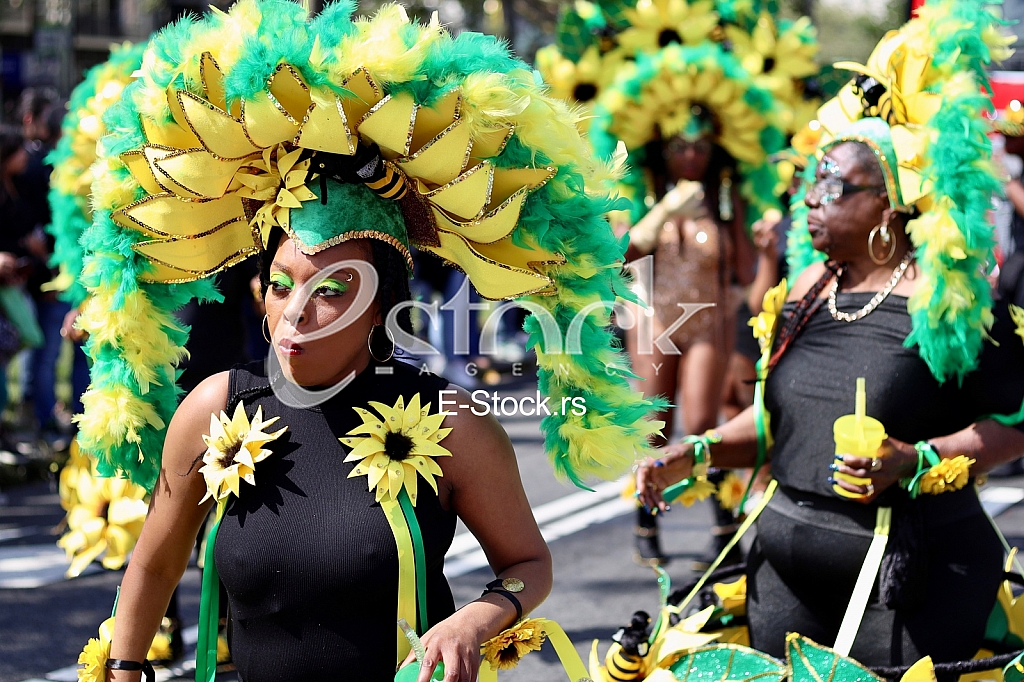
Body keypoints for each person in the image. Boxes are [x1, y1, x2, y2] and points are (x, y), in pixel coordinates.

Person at [72, 2, 663, 680]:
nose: (297, 312)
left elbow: (529, 563)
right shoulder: (213, 411)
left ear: (381, 309)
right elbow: (154, 557)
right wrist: (123, 666)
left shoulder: (452, 423)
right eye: (282, 284)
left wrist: (482, 613)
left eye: (332, 292)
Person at [636, 0, 1024, 664]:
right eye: (812, 183)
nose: (809, 199)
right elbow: (775, 426)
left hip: (911, 576)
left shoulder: (950, 303)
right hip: (782, 569)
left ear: (887, 205)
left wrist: (914, 460)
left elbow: (1014, 424)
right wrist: (695, 454)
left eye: (833, 186)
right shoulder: (807, 295)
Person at [588, 42, 780, 567]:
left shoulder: (725, 200)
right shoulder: (640, 198)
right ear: (661, 149)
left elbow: (744, 272)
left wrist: (764, 249)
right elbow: (617, 256)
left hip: (711, 323)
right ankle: (646, 528)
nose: (690, 154)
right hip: (654, 320)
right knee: (654, 424)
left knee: (700, 424)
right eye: (679, 145)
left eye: (699, 145)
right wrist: (663, 211)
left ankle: (723, 533)